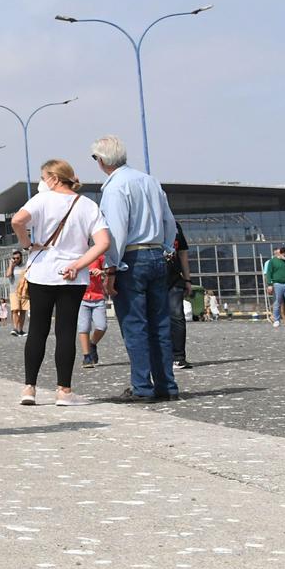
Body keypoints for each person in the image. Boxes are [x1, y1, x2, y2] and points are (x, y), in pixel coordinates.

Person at [8, 159, 110, 406]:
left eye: (43, 177)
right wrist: (78, 264)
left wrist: (27, 245)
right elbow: (103, 241)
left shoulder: (41, 200)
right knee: (65, 331)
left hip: (42, 273)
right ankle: (64, 391)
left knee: (37, 330)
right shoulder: (87, 205)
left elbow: (17, 221)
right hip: (72, 277)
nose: (41, 182)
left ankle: (29, 388)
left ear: (53, 178)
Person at [93, 135, 179, 400]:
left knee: (135, 325)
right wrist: (165, 248)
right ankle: (167, 385)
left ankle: (142, 387)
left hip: (131, 258)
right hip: (156, 254)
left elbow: (116, 232)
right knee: (160, 324)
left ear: (102, 160)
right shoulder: (150, 181)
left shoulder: (115, 187)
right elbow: (169, 222)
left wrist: (111, 269)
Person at [167, 226, 193, 370]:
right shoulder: (147, 222)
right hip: (153, 278)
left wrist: (187, 280)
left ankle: (178, 357)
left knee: (177, 317)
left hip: (175, 278)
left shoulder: (175, 226)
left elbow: (182, 253)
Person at [78, 260, 111, 365]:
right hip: (81, 296)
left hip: (97, 295)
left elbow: (109, 270)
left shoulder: (99, 255)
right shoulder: (77, 255)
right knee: (84, 327)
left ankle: (92, 343)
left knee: (102, 326)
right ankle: (86, 356)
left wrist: (101, 272)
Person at [7, 248, 29, 336]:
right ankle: (15, 328)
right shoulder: (11, 267)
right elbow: (8, 275)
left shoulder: (25, 266)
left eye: (17, 258)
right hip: (14, 291)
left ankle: (21, 330)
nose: (16, 260)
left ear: (21, 258)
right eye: (14, 258)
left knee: (23, 311)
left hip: (24, 291)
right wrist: (11, 265)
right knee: (15, 310)